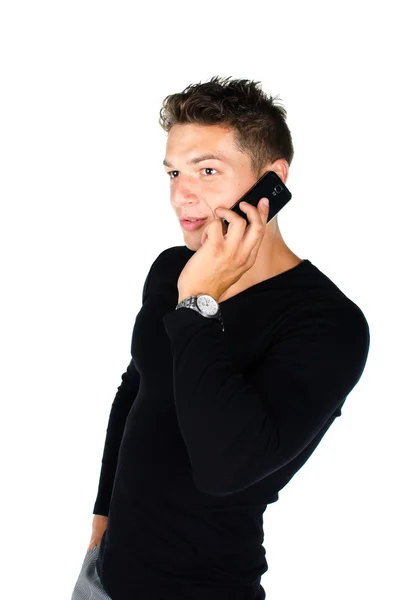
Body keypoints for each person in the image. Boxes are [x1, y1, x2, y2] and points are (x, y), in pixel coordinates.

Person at [71, 75, 370, 600]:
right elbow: (136, 388)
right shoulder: (172, 271)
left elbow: (225, 469)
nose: (181, 196)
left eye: (208, 171)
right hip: (103, 579)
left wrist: (200, 305)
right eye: (173, 173)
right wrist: (102, 518)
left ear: (271, 180)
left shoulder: (328, 324)